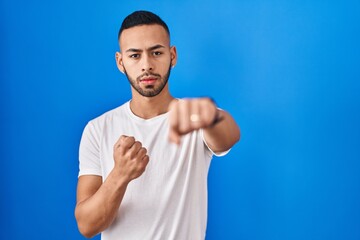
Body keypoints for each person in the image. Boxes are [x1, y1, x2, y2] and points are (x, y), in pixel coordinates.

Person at [75, 10, 240, 240]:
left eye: (156, 52)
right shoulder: (97, 129)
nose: (147, 65)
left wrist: (210, 117)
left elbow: (230, 136)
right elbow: (86, 225)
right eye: (135, 55)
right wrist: (120, 175)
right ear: (120, 62)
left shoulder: (195, 117)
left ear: (172, 55)